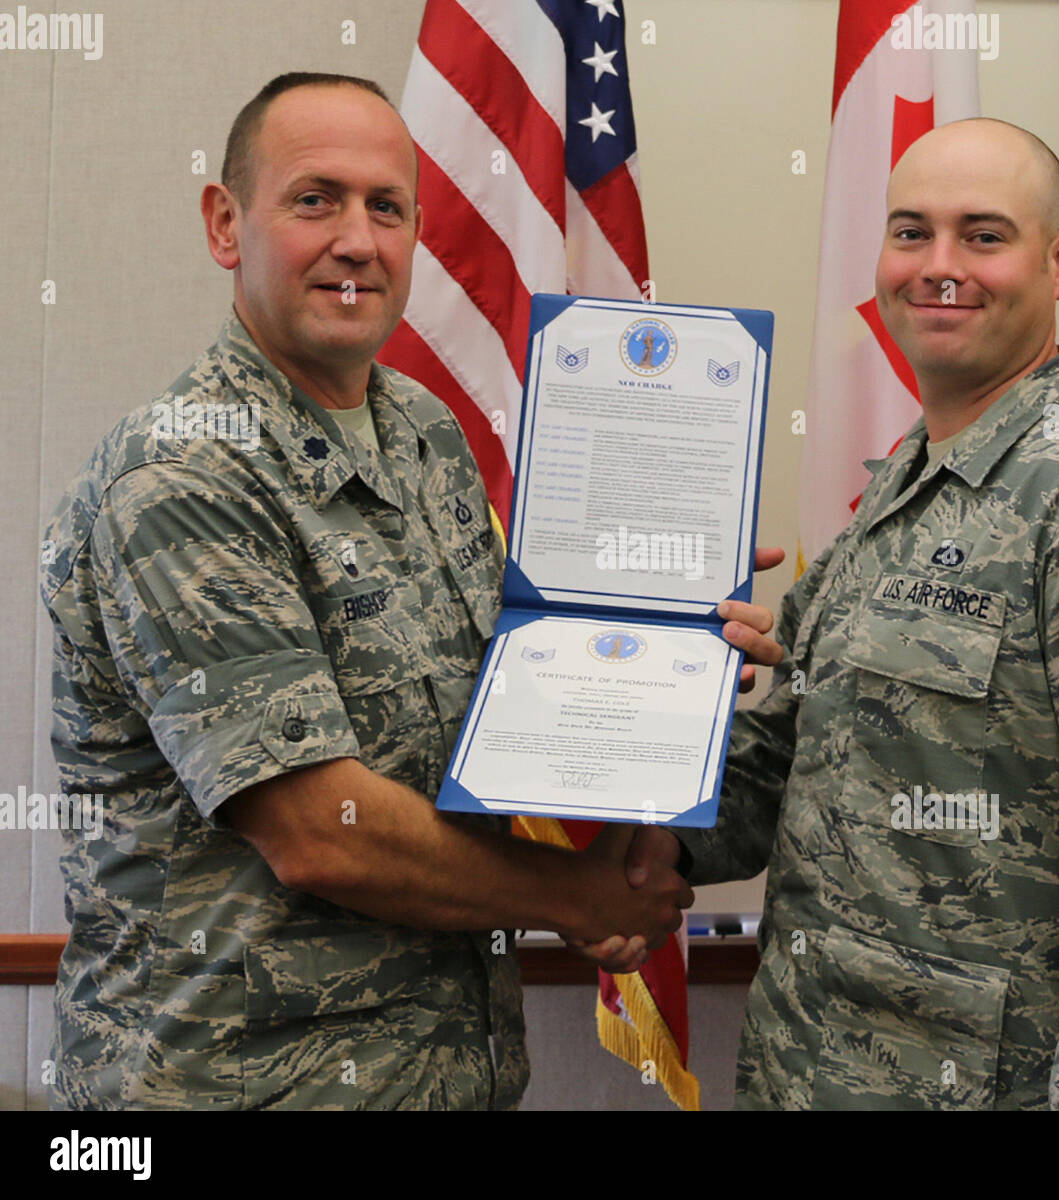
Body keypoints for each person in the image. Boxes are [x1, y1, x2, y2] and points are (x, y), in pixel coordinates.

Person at [39, 71, 780, 1111]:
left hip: (446, 1075)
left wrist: (667, 654)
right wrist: (577, 897)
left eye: (386, 207)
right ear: (225, 222)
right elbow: (316, 828)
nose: (357, 240)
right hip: (233, 1086)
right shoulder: (183, 476)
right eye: (315, 200)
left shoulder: (424, 435)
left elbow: (503, 713)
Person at [610, 119, 1059, 1110]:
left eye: (983, 235)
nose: (939, 266)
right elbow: (798, 766)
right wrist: (654, 800)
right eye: (911, 232)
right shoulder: (902, 487)